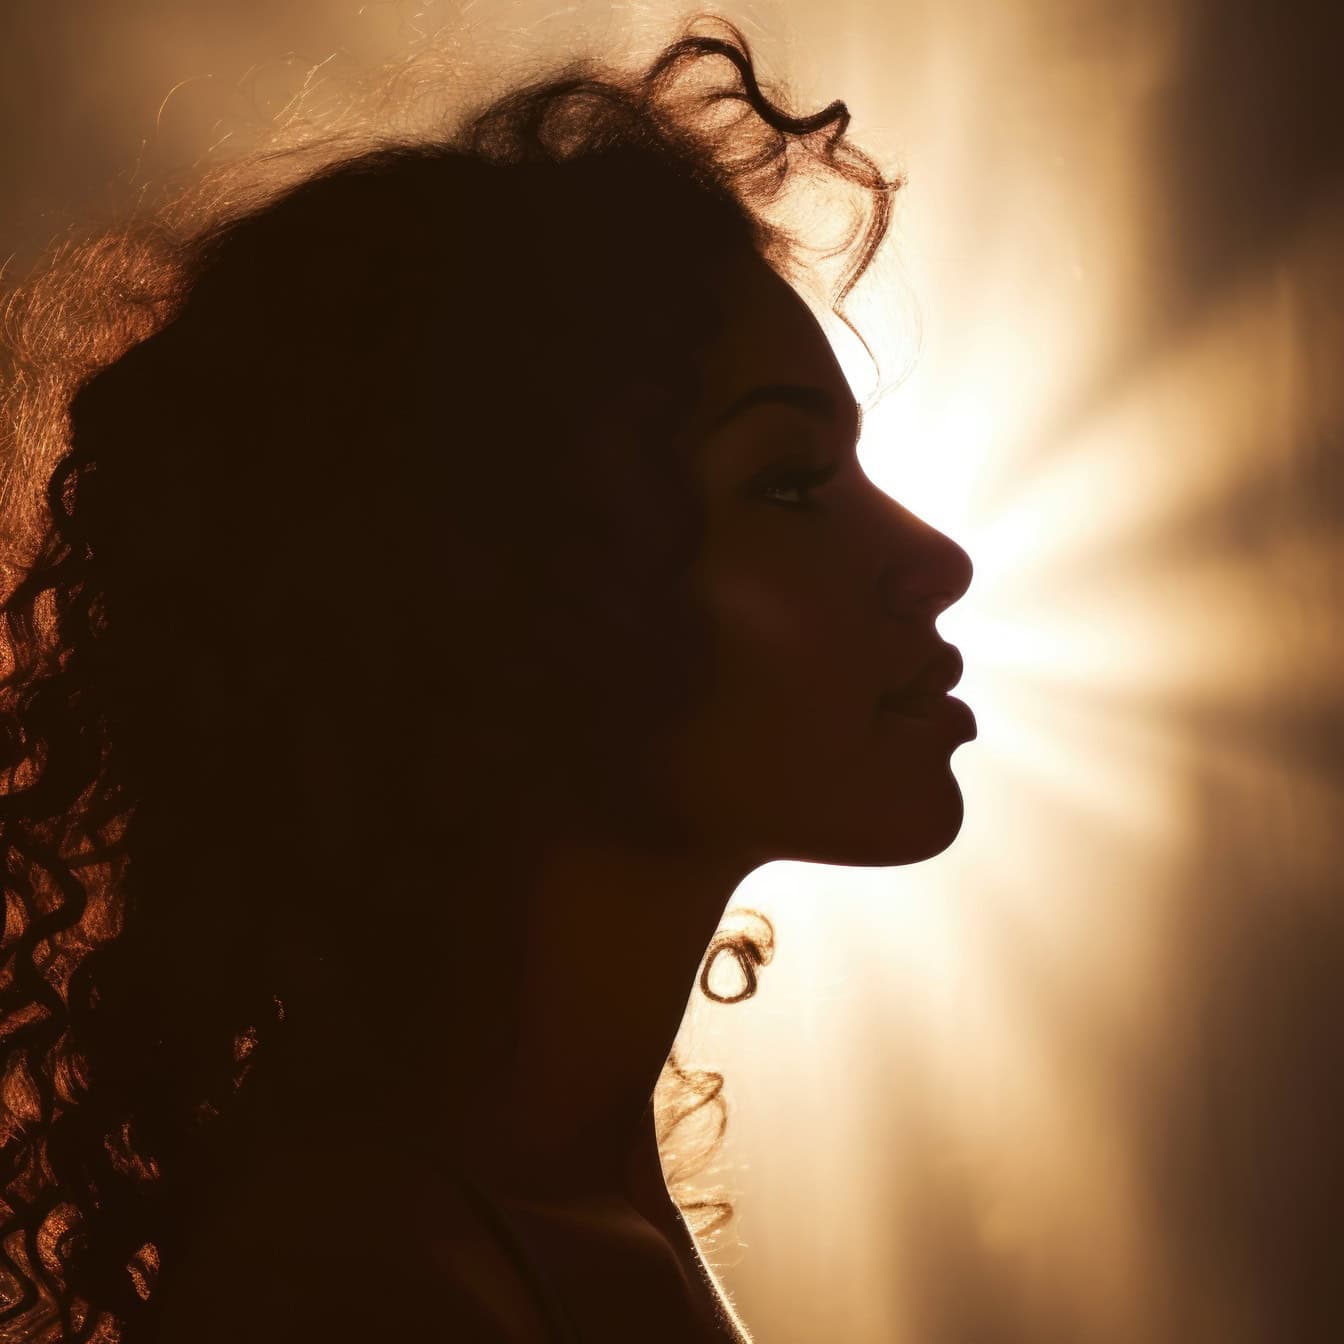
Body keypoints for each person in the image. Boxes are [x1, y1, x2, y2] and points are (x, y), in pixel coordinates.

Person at [0, 13, 973, 1342]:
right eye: (790, 482)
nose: (936, 559)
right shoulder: (359, 1293)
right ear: (499, 597)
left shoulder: (550, 1210)